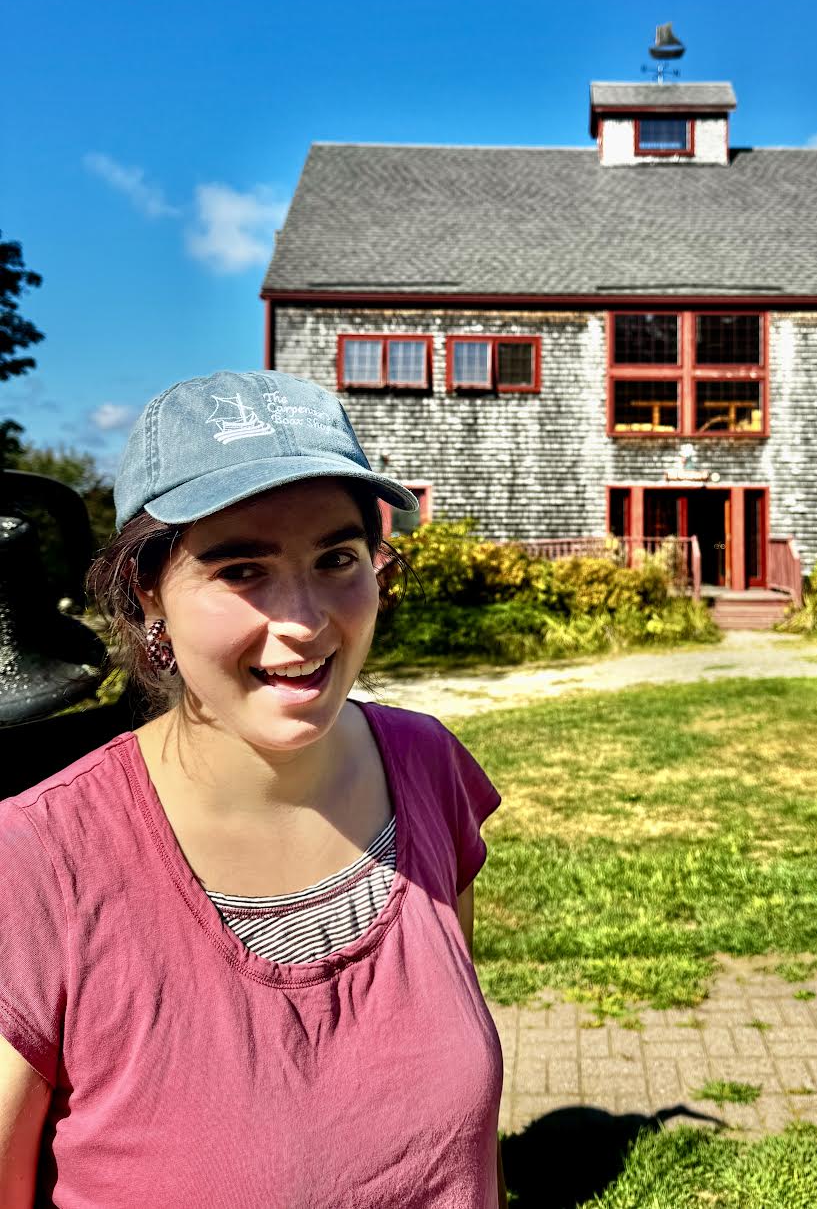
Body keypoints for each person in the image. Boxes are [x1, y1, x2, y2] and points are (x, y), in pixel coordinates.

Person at [0, 370, 506, 1209]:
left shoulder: (428, 769)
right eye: (242, 569)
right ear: (148, 591)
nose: (304, 622)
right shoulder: (41, 858)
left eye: (337, 558)